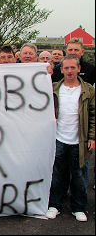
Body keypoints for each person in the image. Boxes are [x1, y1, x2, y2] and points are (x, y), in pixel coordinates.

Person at [45, 54, 95, 222]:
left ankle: (79, 207)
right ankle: (55, 205)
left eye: (73, 67)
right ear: (61, 70)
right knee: (57, 175)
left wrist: (92, 137)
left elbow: (93, 115)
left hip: (79, 141)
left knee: (79, 176)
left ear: (79, 69)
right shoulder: (53, 88)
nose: (69, 71)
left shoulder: (88, 90)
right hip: (59, 139)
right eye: (66, 68)